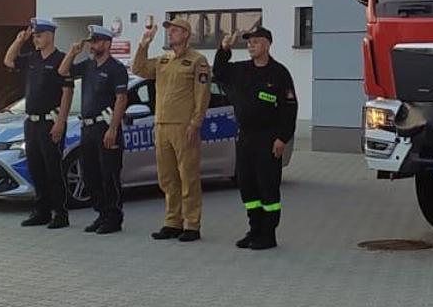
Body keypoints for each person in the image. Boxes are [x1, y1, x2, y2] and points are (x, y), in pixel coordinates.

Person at [212, 25, 297, 250]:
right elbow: (219, 72)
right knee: (247, 186)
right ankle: (255, 229)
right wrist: (224, 49)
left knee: (267, 186)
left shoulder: (279, 73)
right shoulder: (242, 70)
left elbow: (289, 109)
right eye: (249, 42)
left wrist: (282, 138)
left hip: (268, 139)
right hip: (246, 138)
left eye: (256, 42)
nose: (251, 45)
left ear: (267, 45)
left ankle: (268, 234)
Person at [131, 15, 212, 242]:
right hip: (162, 125)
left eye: (175, 30)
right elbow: (138, 68)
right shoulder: (163, 60)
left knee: (188, 176)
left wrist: (196, 122)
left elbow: (202, 94)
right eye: (169, 30)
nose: (170, 33)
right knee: (167, 177)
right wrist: (144, 44)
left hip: (184, 126)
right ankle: (172, 221)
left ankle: (192, 224)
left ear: (186, 34)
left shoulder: (197, 60)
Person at [57, 26, 129, 235]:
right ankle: (101, 213)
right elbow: (62, 71)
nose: (92, 45)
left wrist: (113, 128)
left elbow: (121, 99)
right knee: (90, 175)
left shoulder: (116, 68)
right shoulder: (88, 66)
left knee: (109, 175)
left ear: (106, 44)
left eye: (95, 41)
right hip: (87, 128)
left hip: (105, 126)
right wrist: (72, 52)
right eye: (91, 42)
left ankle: (113, 217)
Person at [3, 18, 73, 229]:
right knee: (36, 168)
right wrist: (19, 41)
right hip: (31, 123)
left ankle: (60, 213)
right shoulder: (32, 58)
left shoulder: (61, 59)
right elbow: (8, 61)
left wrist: (61, 122)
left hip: (50, 122)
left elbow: (67, 92)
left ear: (50, 36)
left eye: (39, 36)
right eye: (34, 36)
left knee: (53, 169)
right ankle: (41, 211)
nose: (35, 39)